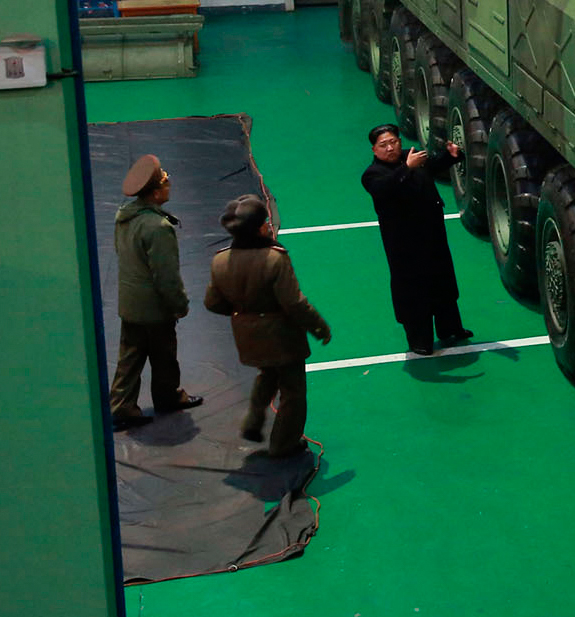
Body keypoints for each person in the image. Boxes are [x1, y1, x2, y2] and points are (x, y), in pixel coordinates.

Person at [204, 195, 331, 457]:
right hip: (281, 336)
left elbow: (212, 303)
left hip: (247, 335)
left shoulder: (220, 260)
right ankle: (283, 445)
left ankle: (253, 418)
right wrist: (318, 327)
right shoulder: (275, 259)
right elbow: (294, 304)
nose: (270, 226)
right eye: (266, 223)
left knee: (268, 373)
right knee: (293, 391)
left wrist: (244, 315)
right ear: (260, 228)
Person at [108, 154, 203, 429]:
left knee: (130, 357)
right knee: (164, 356)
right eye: (165, 181)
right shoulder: (158, 227)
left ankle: (122, 406)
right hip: (154, 308)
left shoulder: (124, 217)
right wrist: (179, 305)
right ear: (155, 192)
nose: (169, 184)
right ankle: (167, 397)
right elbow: (166, 276)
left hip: (130, 303)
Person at [361, 124, 472, 355]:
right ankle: (420, 341)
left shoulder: (410, 157)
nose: (390, 148)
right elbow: (385, 189)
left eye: (393, 142)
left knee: (443, 283)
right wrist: (407, 169)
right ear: (374, 150)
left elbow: (432, 166)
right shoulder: (373, 174)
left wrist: (451, 156)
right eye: (384, 145)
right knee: (413, 292)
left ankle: (450, 329)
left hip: (432, 237)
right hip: (405, 246)